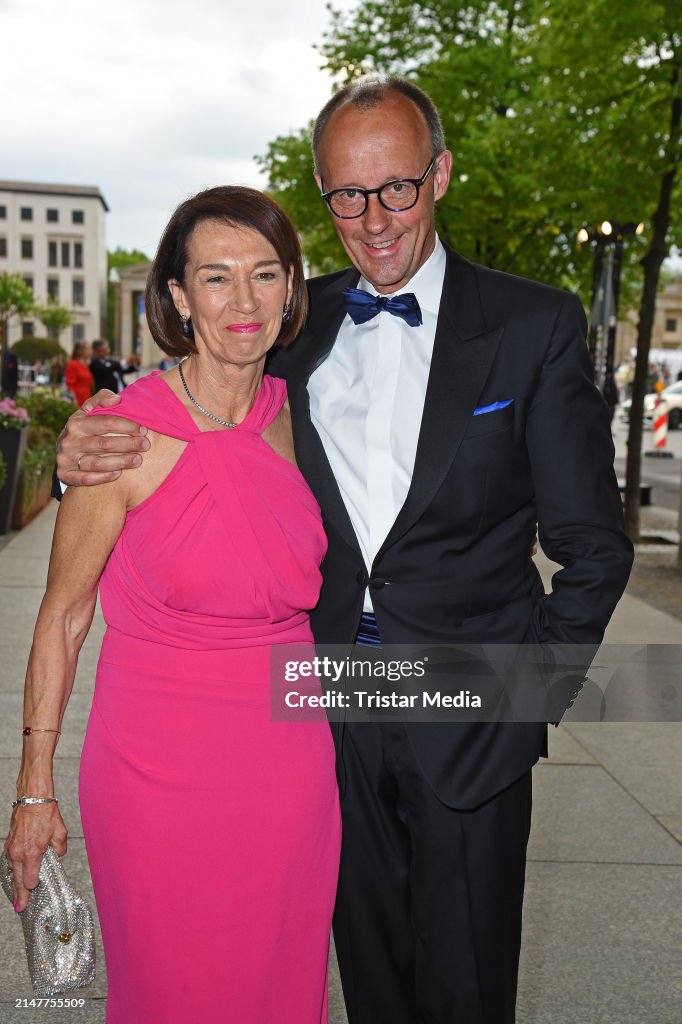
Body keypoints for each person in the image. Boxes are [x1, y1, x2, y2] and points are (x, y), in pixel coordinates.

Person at [53, 77, 633, 1023]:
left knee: (465, 992)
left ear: (440, 175)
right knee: (367, 987)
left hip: (466, 709)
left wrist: (523, 705)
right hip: (318, 719)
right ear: (326, 198)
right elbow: (193, 402)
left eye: (397, 187)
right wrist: (87, 442)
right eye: (347, 196)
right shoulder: (292, 322)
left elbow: (592, 549)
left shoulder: (533, 326)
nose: (374, 219)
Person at [5, 187, 340, 1023]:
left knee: (279, 984)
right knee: (172, 991)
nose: (245, 301)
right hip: (155, 772)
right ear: (180, 297)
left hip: (290, 767)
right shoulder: (122, 434)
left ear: (291, 289)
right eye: (217, 278)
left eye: (266, 275)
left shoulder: (300, 412)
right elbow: (64, 616)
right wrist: (33, 789)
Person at [64, 341, 94, 406]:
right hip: (77, 398)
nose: (91, 352)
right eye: (88, 349)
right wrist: (73, 401)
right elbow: (70, 385)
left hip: (87, 397)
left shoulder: (86, 365)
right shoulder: (72, 364)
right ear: (80, 351)